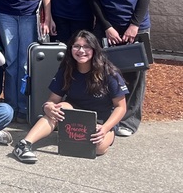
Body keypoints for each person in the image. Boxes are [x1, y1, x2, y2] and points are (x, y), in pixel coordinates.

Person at [84, 0, 155, 137]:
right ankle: (107, 116)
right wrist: (107, 27)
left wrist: (134, 26)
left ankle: (129, 121)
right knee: (102, 72)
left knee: (134, 75)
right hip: (107, 28)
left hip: (135, 28)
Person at [13, 30, 128, 163]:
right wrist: (48, 107)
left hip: (102, 119)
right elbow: (52, 101)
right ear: (71, 49)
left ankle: (81, 136)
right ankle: (24, 144)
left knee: (98, 149)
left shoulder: (109, 73)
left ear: (94, 49)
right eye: (76, 46)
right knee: (57, 109)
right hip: (74, 113)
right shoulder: (66, 70)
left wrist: (105, 128)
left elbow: (121, 107)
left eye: (86, 47)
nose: (81, 50)